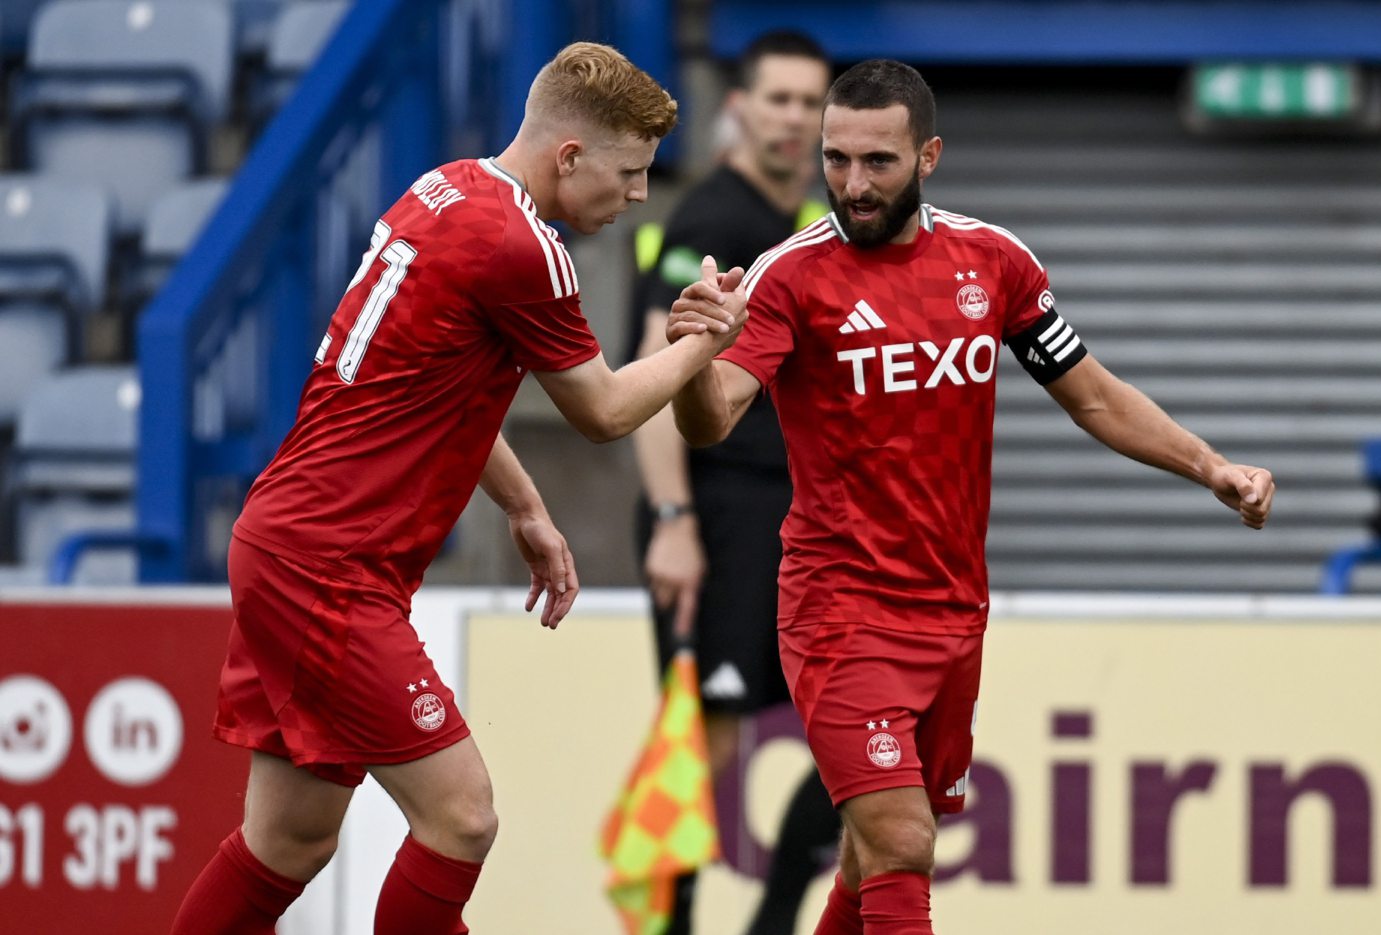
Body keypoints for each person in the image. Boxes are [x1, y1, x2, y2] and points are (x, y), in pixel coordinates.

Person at [669, 59, 1276, 935]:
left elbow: (1093, 394)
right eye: (836, 160)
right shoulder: (789, 277)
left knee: (866, 856)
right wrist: (693, 354)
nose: (852, 183)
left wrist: (1210, 465)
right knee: (904, 841)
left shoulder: (993, 263)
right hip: (839, 607)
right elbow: (712, 418)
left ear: (930, 155)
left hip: (953, 612)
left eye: (878, 161)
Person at [169, 42, 747, 935]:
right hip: (331, 565)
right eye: (630, 173)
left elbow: (433, 391)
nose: (638, 195)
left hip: (290, 541)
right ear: (570, 156)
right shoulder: (523, 246)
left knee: (290, 838)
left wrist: (522, 505)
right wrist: (707, 340)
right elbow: (600, 410)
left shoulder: (449, 190)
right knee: (462, 814)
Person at [628, 31, 840, 935]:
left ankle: (775, 918)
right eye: (779, 99)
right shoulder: (714, 219)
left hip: (791, 514)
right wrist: (675, 519)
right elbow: (654, 366)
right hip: (716, 511)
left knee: (854, 726)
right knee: (705, 738)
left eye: (809, 103)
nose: (794, 119)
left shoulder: (809, 226)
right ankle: (672, 925)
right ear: (741, 106)